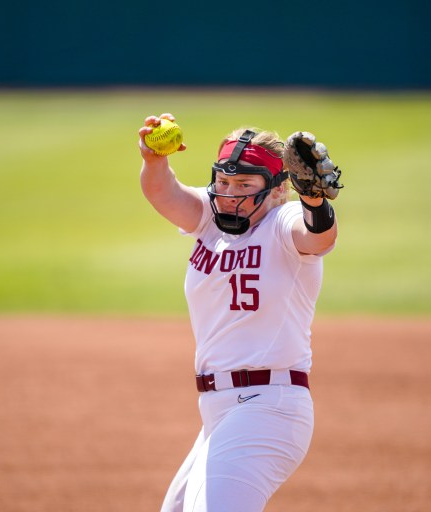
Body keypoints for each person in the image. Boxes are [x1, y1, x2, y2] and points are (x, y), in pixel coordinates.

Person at [138, 113, 342, 512]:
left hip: (269, 406)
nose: (230, 193)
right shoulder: (208, 221)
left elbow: (317, 237)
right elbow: (163, 194)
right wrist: (153, 160)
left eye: (245, 185)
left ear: (277, 190)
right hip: (219, 413)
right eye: (224, 182)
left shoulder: (282, 224)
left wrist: (314, 201)